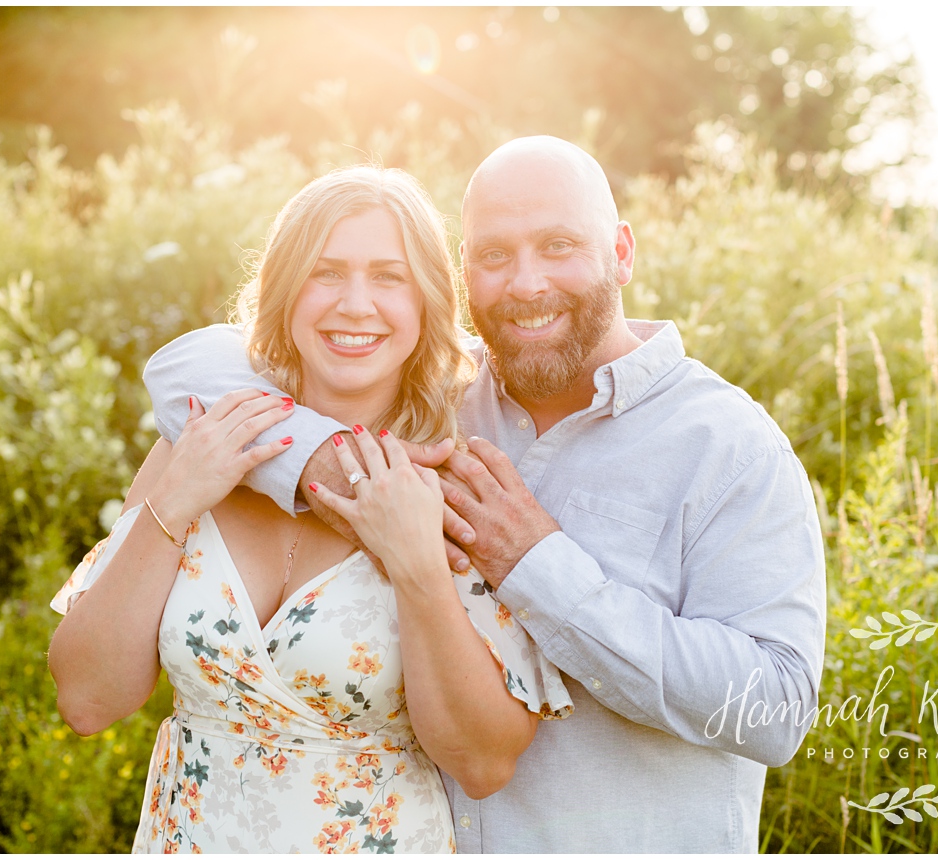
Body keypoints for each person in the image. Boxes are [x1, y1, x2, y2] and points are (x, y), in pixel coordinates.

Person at [144, 136, 827, 852]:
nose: (526, 283)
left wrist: (539, 568)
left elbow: (773, 710)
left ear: (622, 252)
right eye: (494, 256)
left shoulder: (729, 447)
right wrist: (339, 464)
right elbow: (188, 369)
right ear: (462, 272)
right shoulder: (438, 395)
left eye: (559, 245)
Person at [49, 166, 570, 854]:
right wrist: (172, 503)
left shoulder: (452, 478)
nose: (356, 304)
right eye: (327, 272)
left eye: (390, 277)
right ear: (286, 289)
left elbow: (482, 763)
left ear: (427, 303)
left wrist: (417, 564)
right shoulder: (204, 440)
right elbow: (87, 700)